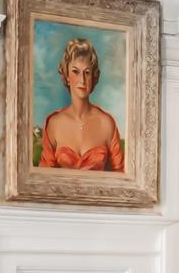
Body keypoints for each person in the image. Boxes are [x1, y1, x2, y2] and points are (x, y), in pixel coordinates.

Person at [38, 36, 124, 172]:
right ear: (66, 75)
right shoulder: (54, 123)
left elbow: (121, 177)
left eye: (87, 72)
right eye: (75, 71)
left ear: (94, 76)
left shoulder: (107, 123)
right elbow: (43, 177)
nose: (82, 80)